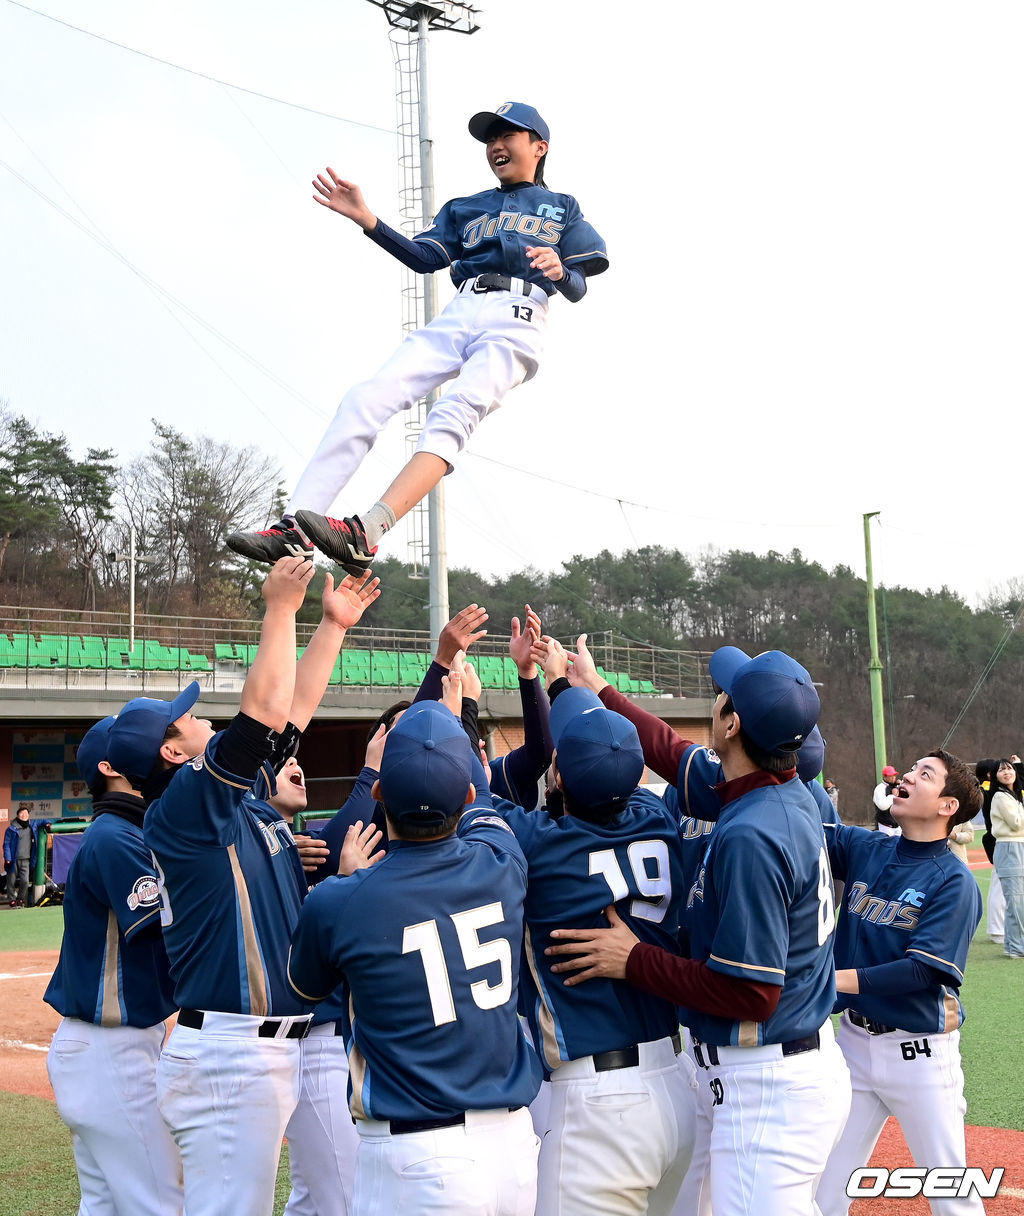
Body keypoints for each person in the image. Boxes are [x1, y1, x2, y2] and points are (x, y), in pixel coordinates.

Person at [227, 101, 608, 574]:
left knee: (454, 412)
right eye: (490, 138)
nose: (496, 145)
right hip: (462, 306)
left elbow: (580, 285)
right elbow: (425, 257)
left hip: (520, 311)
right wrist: (369, 220)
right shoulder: (466, 207)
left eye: (508, 134)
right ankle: (294, 532)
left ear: (539, 146)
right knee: (365, 398)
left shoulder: (563, 207)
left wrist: (563, 270)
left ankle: (367, 531)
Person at [108, 559, 380, 1216]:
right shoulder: (183, 812)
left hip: (276, 1046)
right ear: (174, 755)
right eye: (187, 721)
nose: (200, 719)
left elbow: (289, 715)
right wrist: (279, 610)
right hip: (230, 1056)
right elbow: (259, 718)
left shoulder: (237, 804)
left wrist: (332, 627)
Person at [546, 645, 852, 1216]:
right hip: (760, 1073)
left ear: (731, 723)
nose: (716, 698)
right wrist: (598, 687)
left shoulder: (753, 833)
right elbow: (676, 754)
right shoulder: (783, 790)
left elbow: (750, 994)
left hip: (772, 1082)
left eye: (724, 695)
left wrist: (633, 960)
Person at [287, 697, 543, 1216]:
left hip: (417, 1156)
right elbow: (485, 809)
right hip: (515, 1148)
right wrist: (460, 712)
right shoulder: (503, 863)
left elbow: (305, 987)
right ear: (468, 794)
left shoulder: (339, 899)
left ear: (379, 792)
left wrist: (346, 877)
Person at [497, 642, 697, 1216]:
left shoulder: (539, 843)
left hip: (595, 1101)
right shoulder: (661, 817)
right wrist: (563, 684)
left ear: (560, 773)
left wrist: (464, 697)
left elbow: (457, 784)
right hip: (675, 1083)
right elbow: (596, 756)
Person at [814, 750, 986, 1216]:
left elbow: (921, 971)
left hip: (919, 1054)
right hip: (852, 1043)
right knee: (825, 1189)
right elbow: (805, 825)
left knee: (951, 1196)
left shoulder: (953, 880)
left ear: (947, 807)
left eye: (925, 775)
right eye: (911, 769)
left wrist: (828, 982)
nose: (908, 775)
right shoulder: (868, 847)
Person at [44, 716, 184, 1216]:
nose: (171, 748)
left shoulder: (124, 831)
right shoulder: (115, 838)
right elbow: (169, 930)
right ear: (113, 768)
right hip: (112, 1052)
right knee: (161, 1203)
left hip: (103, 1050)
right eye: (160, 740)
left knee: (105, 1205)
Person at [990, 756, 1024, 960]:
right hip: (1009, 848)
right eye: (1001, 770)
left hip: (1019, 846)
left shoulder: (1014, 796)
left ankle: (1017, 944)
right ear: (995, 776)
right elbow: (1016, 823)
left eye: (1009, 768)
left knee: (1020, 900)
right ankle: (1015, 947)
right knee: (1015, 901)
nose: (1006, 772)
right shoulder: (1000, 797)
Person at [4, 805, 39, 907]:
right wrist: (8, 857)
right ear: (18, 815)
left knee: (25, 881)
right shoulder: (11, 829)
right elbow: (6, 844)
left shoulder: (31, 826)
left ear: (29, 815)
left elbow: (42, 821)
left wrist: (48, 824)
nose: (24, 815)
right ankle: (11, 899)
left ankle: (20, 899)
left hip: (26, 859)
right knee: (11, 880)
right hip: (13, 859)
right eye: (22, 813)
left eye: (26, 813)